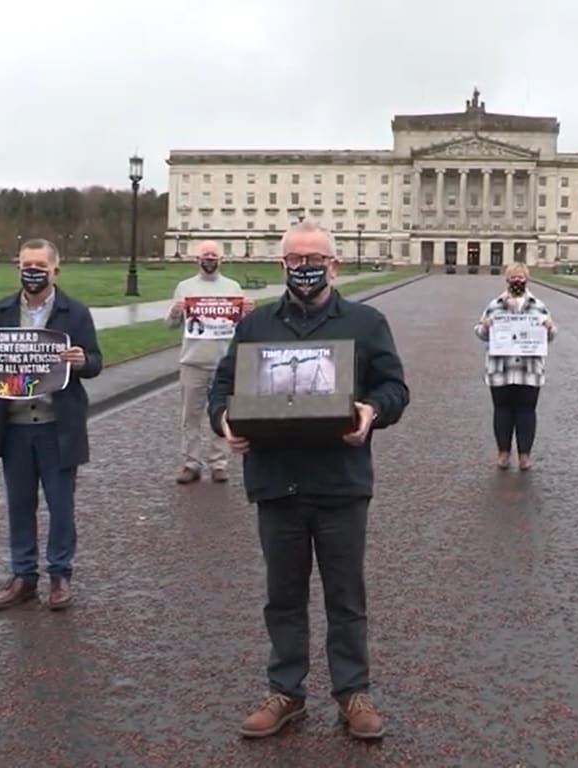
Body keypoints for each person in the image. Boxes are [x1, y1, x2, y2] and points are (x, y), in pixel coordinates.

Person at [207, 220, 409, 741]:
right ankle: (286, 691)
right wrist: (223, 420)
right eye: (295, 259)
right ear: (282, 266)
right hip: (276, 480)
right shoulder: (256, 326)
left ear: (334, 264)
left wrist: (372, 411)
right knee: (283, 595)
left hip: (340, 479)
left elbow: (395, 388)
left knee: (345, 597)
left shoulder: (366, 323)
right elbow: (223, 386)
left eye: (314, 257)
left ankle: (353, 692)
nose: (304, 267)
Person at [0, 238, 102, 611]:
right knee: (19, 505)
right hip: (14, 426)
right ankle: (23, 575)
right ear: (17, 266)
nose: (33, 271)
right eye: (26, 264)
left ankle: (59, 574)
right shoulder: (0, 310)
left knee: (60, 506)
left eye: (40, 265)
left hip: (58, 425)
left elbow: (96, 362)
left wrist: (81, 359)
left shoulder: (76, 313)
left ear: (55, 270)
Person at [166, 241, 248, 484]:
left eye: (214, 256)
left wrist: (248, 311)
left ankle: (218, 463)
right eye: (205, 255)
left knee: (221, 415)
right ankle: (191, 463)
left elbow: (242, 327)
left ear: (221, 259)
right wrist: (175, 311)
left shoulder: (233, 287)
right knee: (190, 416)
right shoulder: (185, 287)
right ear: (197, 259)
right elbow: (170, 325)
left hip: (223, 364)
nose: (209, 259)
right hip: (193, 362)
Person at [474, 262, 557, 470]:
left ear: (527, 278)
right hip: (501, 369)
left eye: (521, 276)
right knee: (502, 411)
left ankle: (524, 455)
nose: (517, 280)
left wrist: (550, 327)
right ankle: (503, 453)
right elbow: (481, 333)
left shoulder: (538, 305)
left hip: (529, 370)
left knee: (526, 412)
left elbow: (551, 335)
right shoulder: (494, 305)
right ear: (507, 279)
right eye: (513, 277)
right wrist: (484, 326)